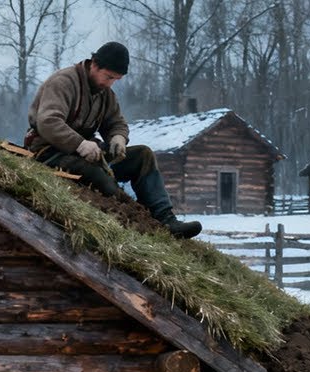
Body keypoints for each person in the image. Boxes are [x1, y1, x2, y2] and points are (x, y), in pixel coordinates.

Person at [26, 41, 203, 239]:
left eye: (115, 80)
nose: (109, 83)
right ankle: (135, 224)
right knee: (99, 175)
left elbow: (116, 123)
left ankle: (166, 220)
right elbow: (48, 122)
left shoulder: (105, 94)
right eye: (108, 77)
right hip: (50, 152)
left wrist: (118, 138)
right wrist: (79, 144)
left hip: (88, 152)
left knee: (142, 155)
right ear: (94, 64)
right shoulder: (63, 82)